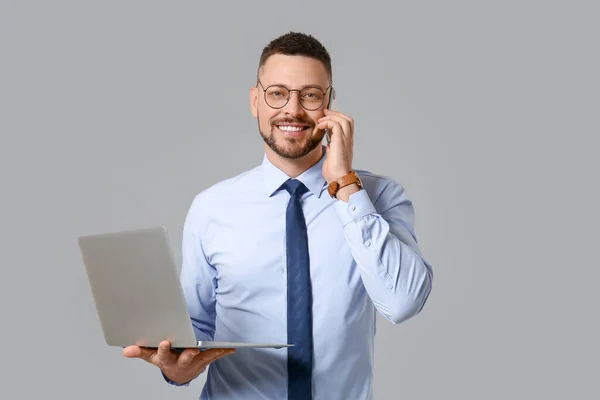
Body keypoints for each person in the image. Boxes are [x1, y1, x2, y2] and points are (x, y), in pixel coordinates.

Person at [122, 31, 433, 399]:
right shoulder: (211, 208)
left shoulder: (378, 197)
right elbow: (194, 331)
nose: (293, 109)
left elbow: (403, 302)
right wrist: (176, 369)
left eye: (311, 95)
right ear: (256, 101)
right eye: (277, 93)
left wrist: (346, 184)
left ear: (330, 105)